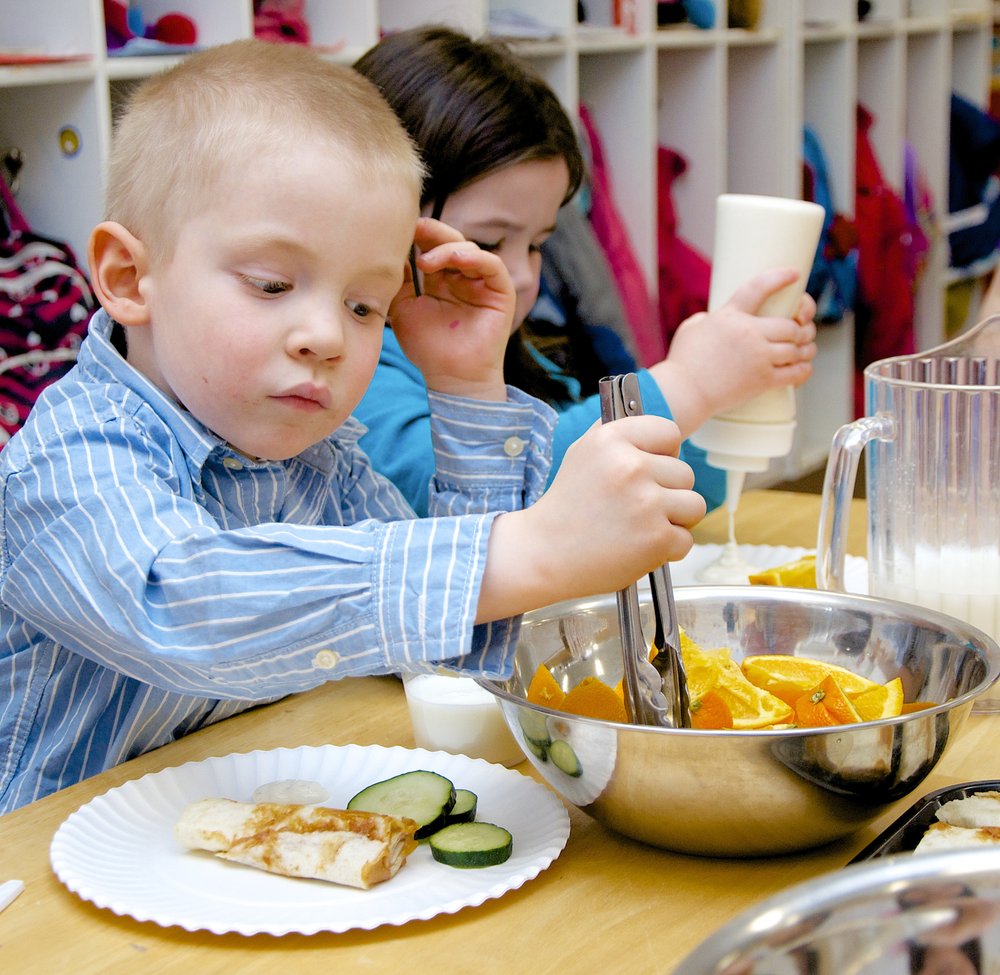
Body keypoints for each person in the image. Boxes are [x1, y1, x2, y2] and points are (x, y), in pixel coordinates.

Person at [0, 40, 705, 813]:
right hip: (40, 896)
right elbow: (181, 603)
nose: (327, 336)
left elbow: (448, 652)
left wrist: (467, 386)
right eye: (272, 284)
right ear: (131, 279)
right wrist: (526, 551)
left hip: (213, 847)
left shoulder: (320, 464)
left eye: (365, 305)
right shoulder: (71, 460)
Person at [353, 26, 819, 516]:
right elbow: (490, 501)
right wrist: (689, 384)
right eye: (487, 242)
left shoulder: (537, 362)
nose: (521, 275)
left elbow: (684, 492)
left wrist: (733, 389)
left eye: (537, 245)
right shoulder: (356, 376)